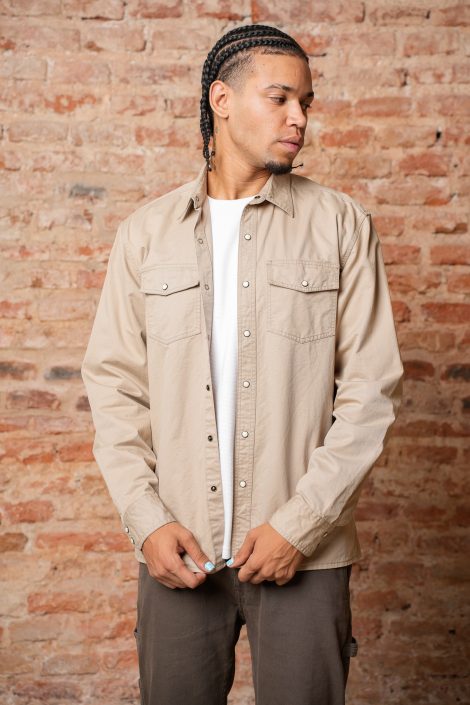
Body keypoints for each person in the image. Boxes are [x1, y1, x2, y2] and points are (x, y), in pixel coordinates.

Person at [81, 23, 404, 705]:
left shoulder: (341, 225)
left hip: (305, 553)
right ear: (222, 100)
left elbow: (370, 394)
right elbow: (114, 391)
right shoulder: (145, 235)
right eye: (280, 98)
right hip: (179, 550)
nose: (299, 119)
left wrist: (299, 525)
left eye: (306, 103)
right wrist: (147, 520)